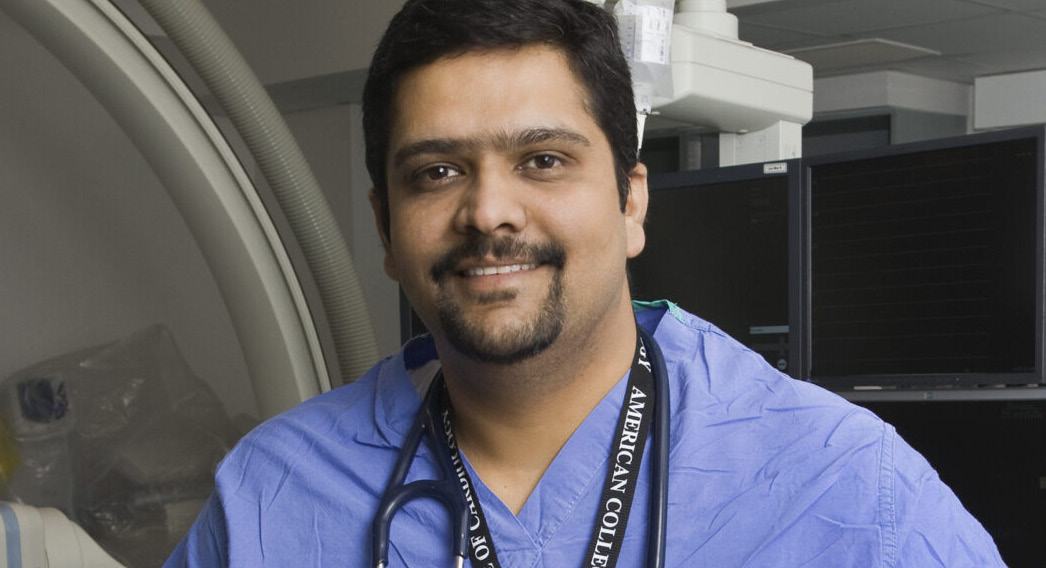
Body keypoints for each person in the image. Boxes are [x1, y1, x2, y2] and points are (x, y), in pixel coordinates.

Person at [164, 0, 1006, 566]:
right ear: (386, 229)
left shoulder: (842, 485)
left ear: (631, 198)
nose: (490, 210)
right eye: (438, 172)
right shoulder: (272, 498)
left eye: (543, 160)